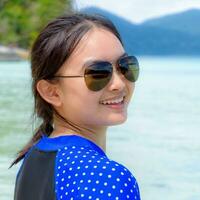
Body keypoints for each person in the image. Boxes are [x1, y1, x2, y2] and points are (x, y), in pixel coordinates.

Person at [10, 12, 141, 200]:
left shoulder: (34, 158)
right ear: (51, 92)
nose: (119, 84)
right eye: (97, 73)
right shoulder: (104, 178)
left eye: (125, 66)